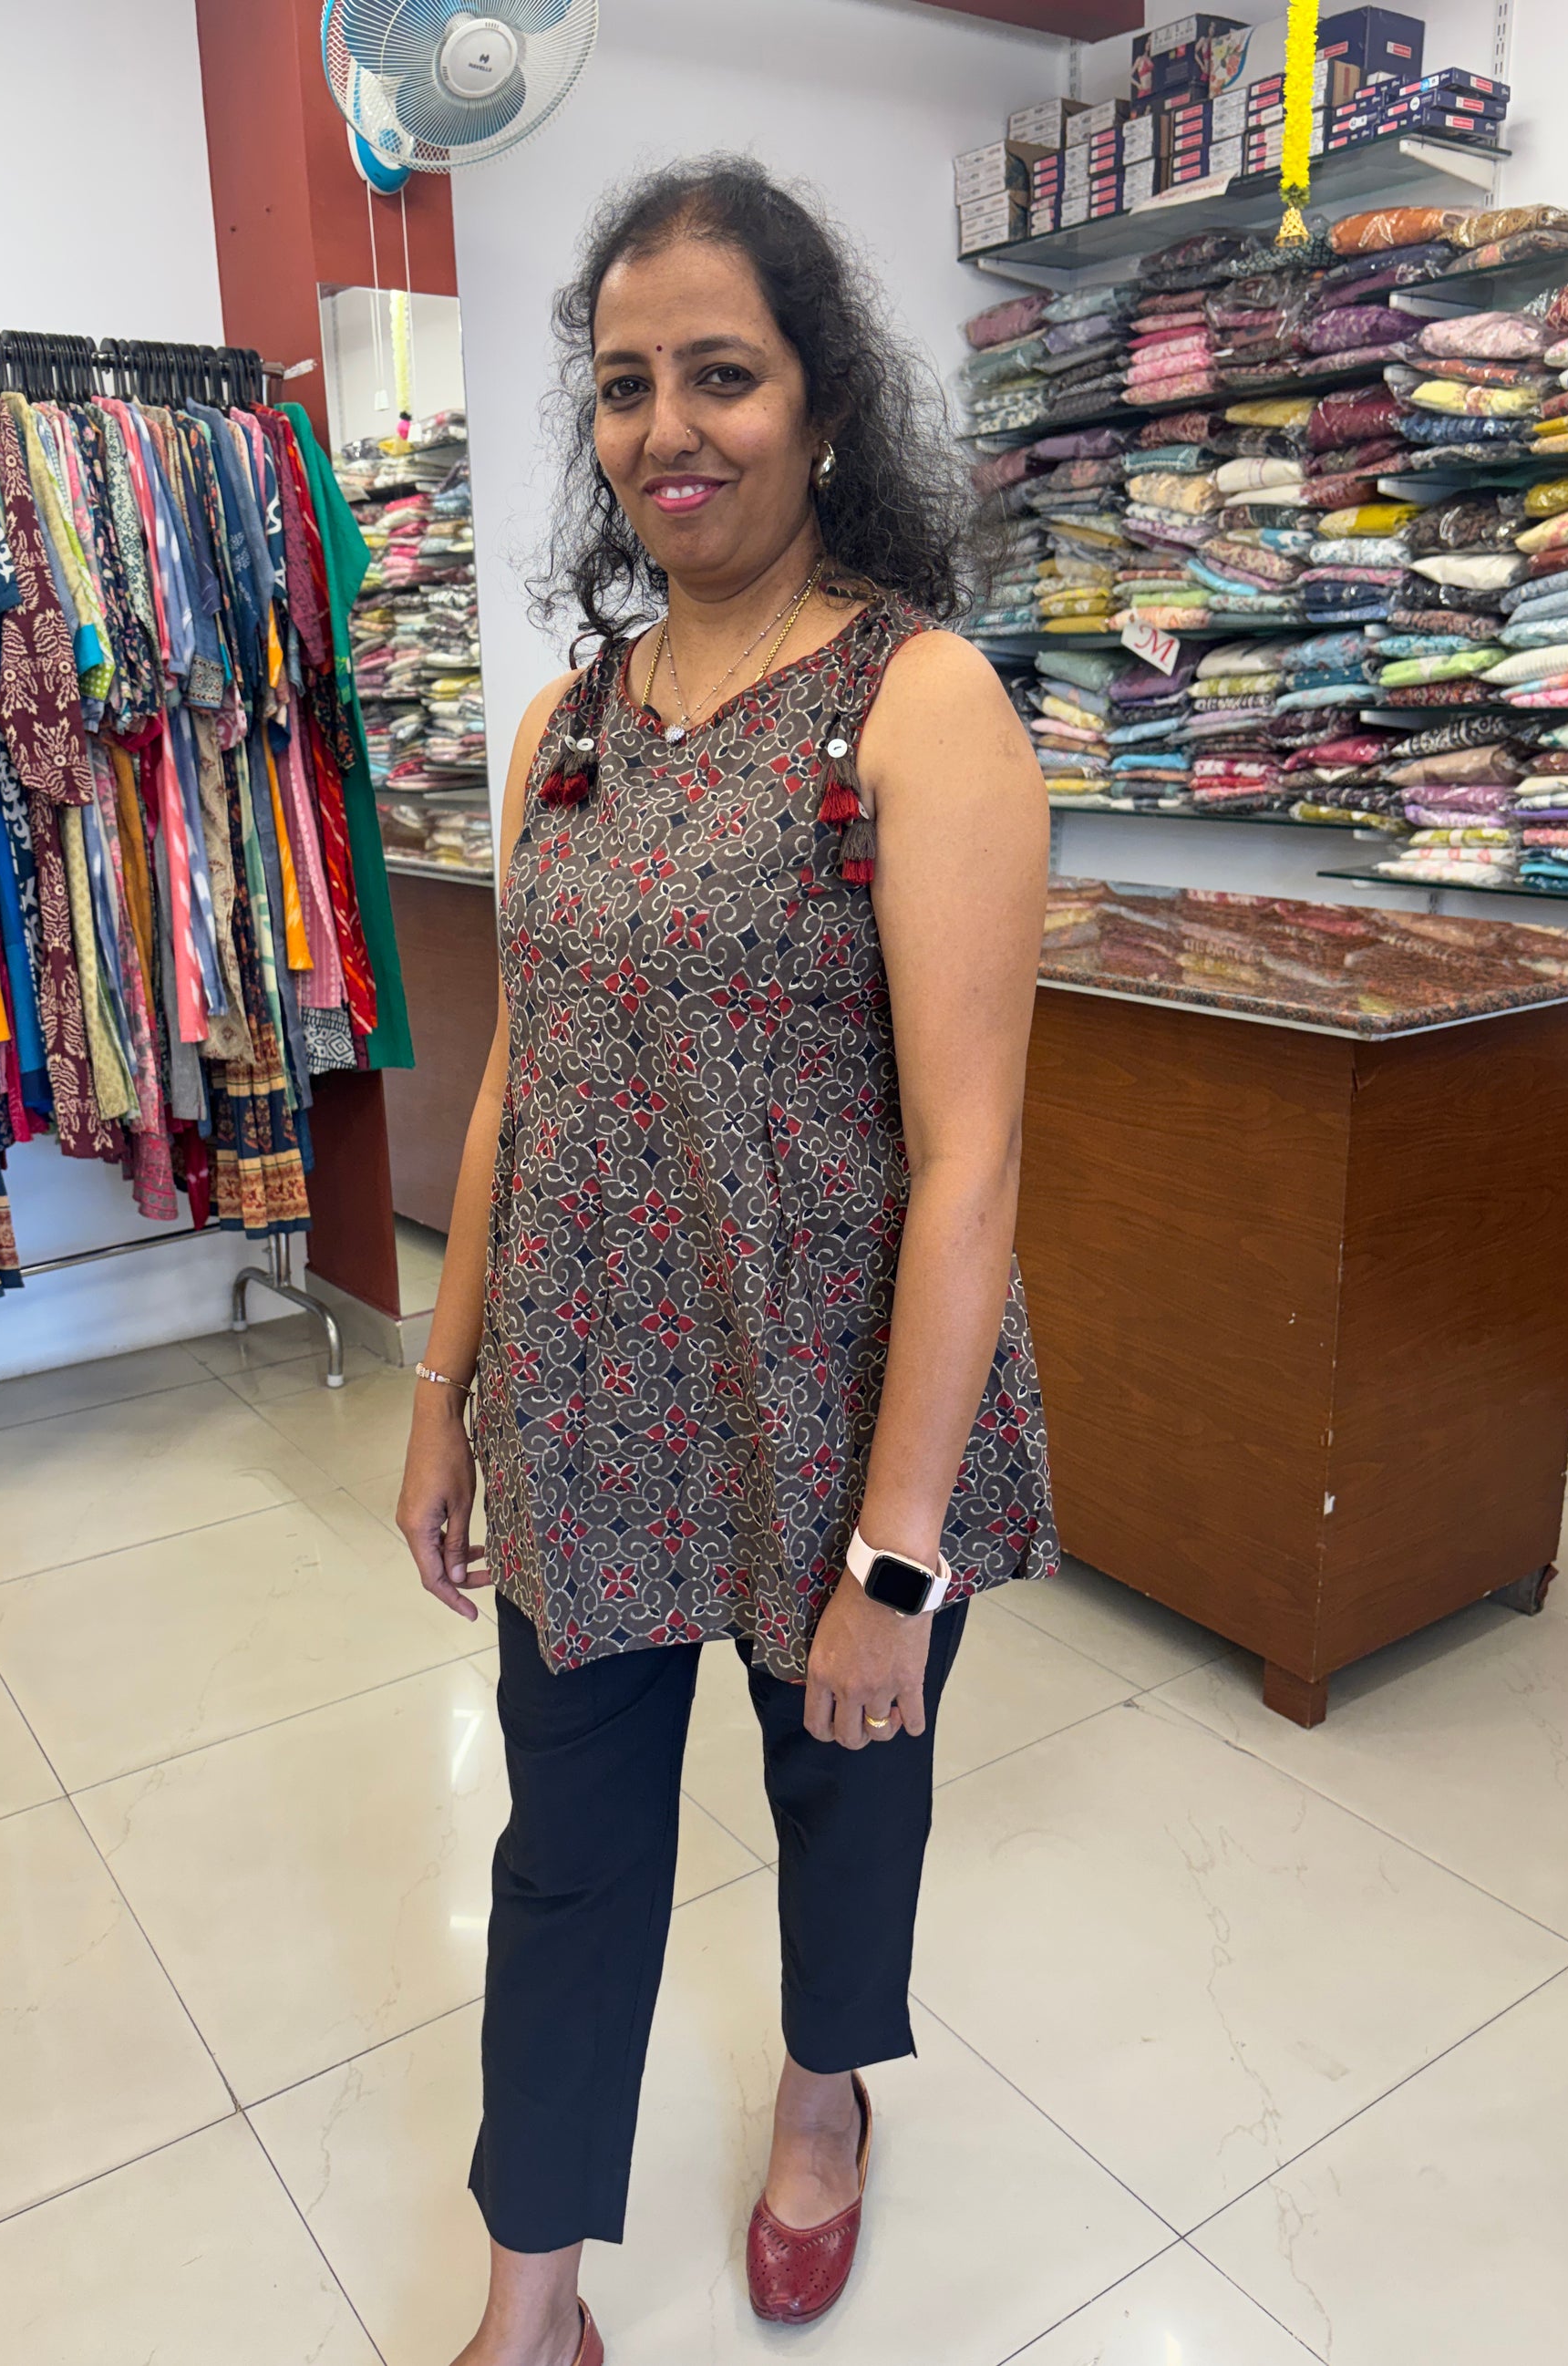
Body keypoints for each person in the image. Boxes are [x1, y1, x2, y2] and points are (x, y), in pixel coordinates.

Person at [397, 155, 1056, 2366]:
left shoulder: (918, 702)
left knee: (843, 1788)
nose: (668, 429)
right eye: (622, 386)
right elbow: (515, 1085)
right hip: (582, 1405)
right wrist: (435, 1385)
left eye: (722, 375)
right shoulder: (563, 730)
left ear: (820, 400)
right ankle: (530, 2309)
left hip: (830, 1394)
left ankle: (819, 2098)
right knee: (561, 1850)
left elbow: (968, 1166)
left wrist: (891, 1555)